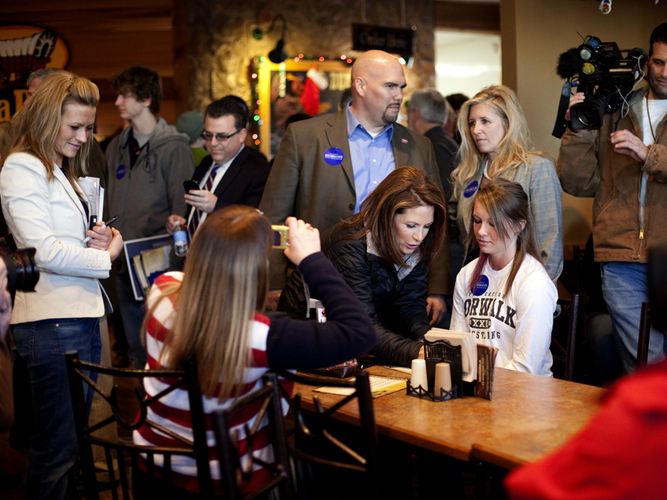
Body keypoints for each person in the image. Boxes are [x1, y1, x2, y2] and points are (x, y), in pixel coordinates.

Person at [133, 206, 376, 497]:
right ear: (255, 273)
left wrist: (238, 226)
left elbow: (201, 289)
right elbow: (361, 333)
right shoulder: (260, 336)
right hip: (230, 483)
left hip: (152, 471)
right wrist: (312, 259)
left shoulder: (163, 290)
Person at [1, 71, 124, 499]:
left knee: (69, 447)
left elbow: (68, 241)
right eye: (75, 127)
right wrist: (104, 257)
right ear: (46, 118)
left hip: (78, 316)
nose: (84, 137)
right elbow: (44, 250)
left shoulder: (55, 167)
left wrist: (106, 238)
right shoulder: (22, 165)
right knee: (55, 451)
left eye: (89, 128)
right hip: (51, 322)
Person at [260, 49, 451, 324]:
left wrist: (437, 288)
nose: (399, 96)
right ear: (360, 85)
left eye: (401, 88)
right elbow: (275, 215)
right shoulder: (305, 137)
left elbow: (436, 219)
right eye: (390, 86)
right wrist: (274, 281)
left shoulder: (419, 146)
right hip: (319, 284)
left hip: (393, 295)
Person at [558, 22, 667, 373]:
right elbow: (579, 182)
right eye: (660, 62)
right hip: (619, 255)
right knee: (645, 364)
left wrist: (648, 153)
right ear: (648, 60)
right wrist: (576, 130)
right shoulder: (615, 107)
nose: (665, 72)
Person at [280, 167, 446, 367]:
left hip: (357, 343)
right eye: (411, 225)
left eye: (426, 226)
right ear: (387, 216)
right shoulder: (350, 245)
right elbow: (363, 324)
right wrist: (416, 352)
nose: (419, 236)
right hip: (308, 339)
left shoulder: (414, 245)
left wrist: (427, 339)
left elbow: (408, 304)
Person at [106, 65, 193, 370]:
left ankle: (167, 413)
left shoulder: (175, 146)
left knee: (165, 346)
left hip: (159, 261)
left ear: (145, 99)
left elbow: (180, 209)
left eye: (125, 95)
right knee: (134, 348)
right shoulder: (116, 145)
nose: (117, 101)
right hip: (121, 261)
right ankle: (143, 414)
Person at [451, 85, 563, 283]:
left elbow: (550, 243)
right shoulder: (468, 176)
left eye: (485, 121)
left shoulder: (536, 169)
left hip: (523, 287)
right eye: (472, 123)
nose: (476, 130)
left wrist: (541, 294)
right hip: (479, 287)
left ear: (508, 123)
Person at [450, 179, 557, 376]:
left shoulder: (534, 283)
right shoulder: (466, 275)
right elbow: (458, 350)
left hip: (524, 396)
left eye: (493, 223)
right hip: (476, 390)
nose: (481, 231)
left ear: (519, 226)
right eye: (477, 221)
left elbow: (525, 370)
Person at [165, 96, 270, 241]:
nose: (213, 143)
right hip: (191, 257)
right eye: (208, 135)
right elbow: (197, 216)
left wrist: (217, 207)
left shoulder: (258, 170)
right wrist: (182, 223)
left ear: (242, 135)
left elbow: (258, 224)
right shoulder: (206, 163)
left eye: (221, 136)